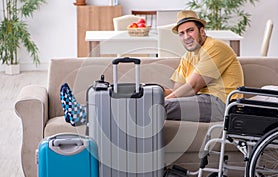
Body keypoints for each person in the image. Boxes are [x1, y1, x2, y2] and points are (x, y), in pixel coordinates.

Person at [60, 10, 244, 126]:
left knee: (156, 106)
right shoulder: (188, 56)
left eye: (190, 30)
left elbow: (192, 87)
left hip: (221, 105)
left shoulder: (214, 47)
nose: (186, 36)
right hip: (202, 99)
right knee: (146, 92)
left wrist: (163, 99)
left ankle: (88, 115)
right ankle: (89, 110)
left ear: (201, 31)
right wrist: (148, 93)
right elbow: (178, 88)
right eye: (182, 33)